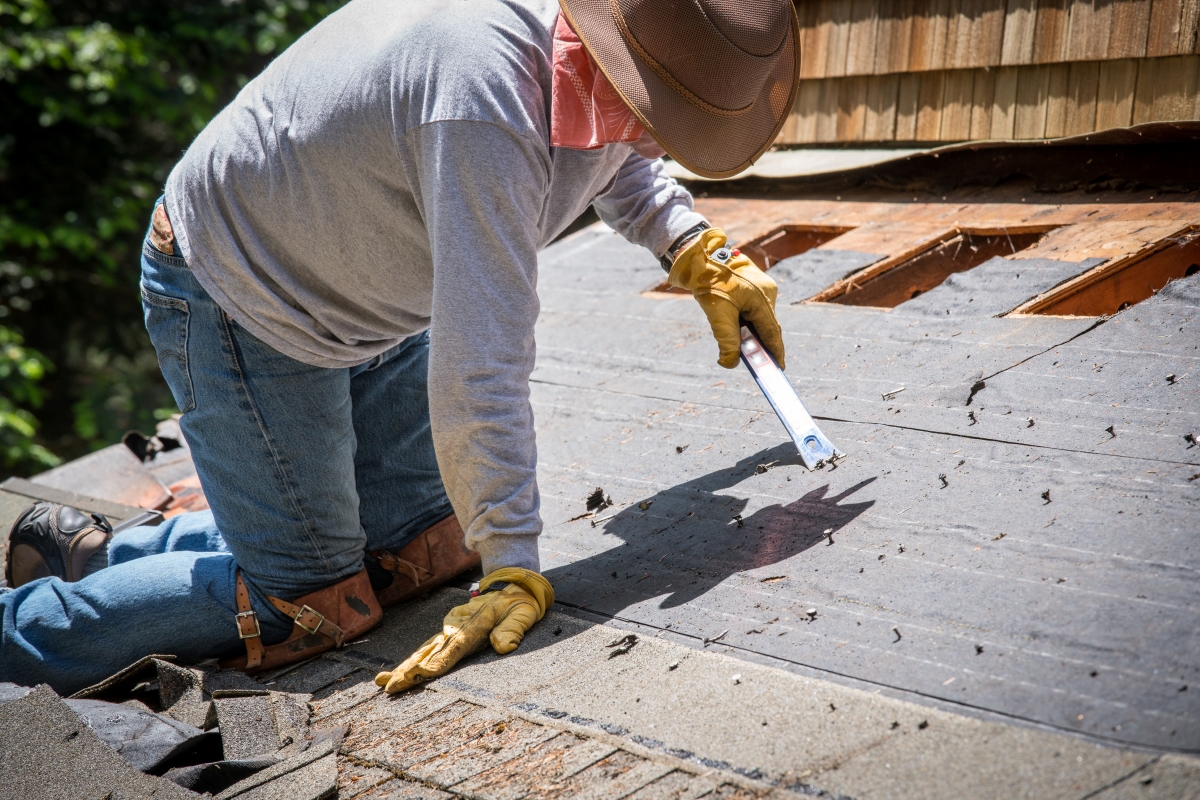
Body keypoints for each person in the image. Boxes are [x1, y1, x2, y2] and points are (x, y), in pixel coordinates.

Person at [1, 0, 799, 696]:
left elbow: (612, 155)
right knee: (311, 607)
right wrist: (515, 562)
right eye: (658, 117)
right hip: (241, 293)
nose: (659, 145)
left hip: (362, 293)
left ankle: (100, 554)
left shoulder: (594, 51)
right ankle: (20, 630)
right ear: (617, 57)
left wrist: (691, 244)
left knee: (430, 551)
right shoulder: (484, 102)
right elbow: (480, 365)